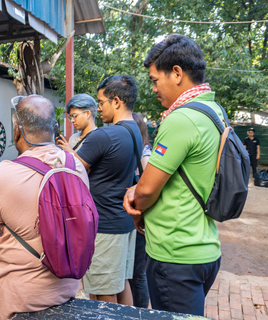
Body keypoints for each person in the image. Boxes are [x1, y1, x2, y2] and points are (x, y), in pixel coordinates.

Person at [123, 34, 222, 316]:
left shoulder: (182, 118)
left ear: (176, 73)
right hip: (203, 247)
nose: (153, 88)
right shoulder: (214, 112)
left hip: (175, 253)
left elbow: (146, 190)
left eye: (155, 80)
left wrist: (134, 201)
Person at [0, 95, 88, 320]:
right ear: (55, 129)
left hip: (17, 300)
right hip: (67, 290)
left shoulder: (1, 175)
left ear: (17, 130)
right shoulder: (76, 167)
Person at [75, 75, 142, 305]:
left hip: (104, 227)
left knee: (103, 295)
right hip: (123, 223)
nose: (98, 108)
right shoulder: (135, 132)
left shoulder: (104, 135)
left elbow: (70, 172)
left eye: (101, 102)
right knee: (121, 284)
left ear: (116, 101)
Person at [128, 112, 152, 308]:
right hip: (131, 219)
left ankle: (141, 313)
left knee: (138, 274)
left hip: (140, 219)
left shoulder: (145, 153)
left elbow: (148, 185)